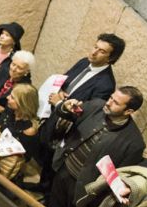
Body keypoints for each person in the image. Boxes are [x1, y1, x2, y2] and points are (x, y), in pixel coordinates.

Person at [45, 86, 146, 207]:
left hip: (85, 189)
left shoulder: (134, 143)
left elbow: (120, 178)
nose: (109, 103)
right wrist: (65, 107)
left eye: (116, 103)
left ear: (128, 111)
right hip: (64, 169)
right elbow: (67, 114)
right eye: (111, 97)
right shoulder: (95, 106)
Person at [32, 34, 124, 193]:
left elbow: (88, 114)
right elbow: (65, 79)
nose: (94, 52)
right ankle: (42, 184)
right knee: (43, 150)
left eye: (101, 51)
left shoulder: (106, 84)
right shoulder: (84, 62)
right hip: (53, 116)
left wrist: (60, 104)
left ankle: (47, 192)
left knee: (54, 162)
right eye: (95, 46)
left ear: (111, 58)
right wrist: (60, 91)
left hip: (68, 128)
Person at [0, 50, 35, 129]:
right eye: (13, 64)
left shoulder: (25, 88)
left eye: (19, 68)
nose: (14, 69)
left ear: (26, 71)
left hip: (3, 123)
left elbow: (23, 113)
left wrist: (1, 110)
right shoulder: (4, 72)